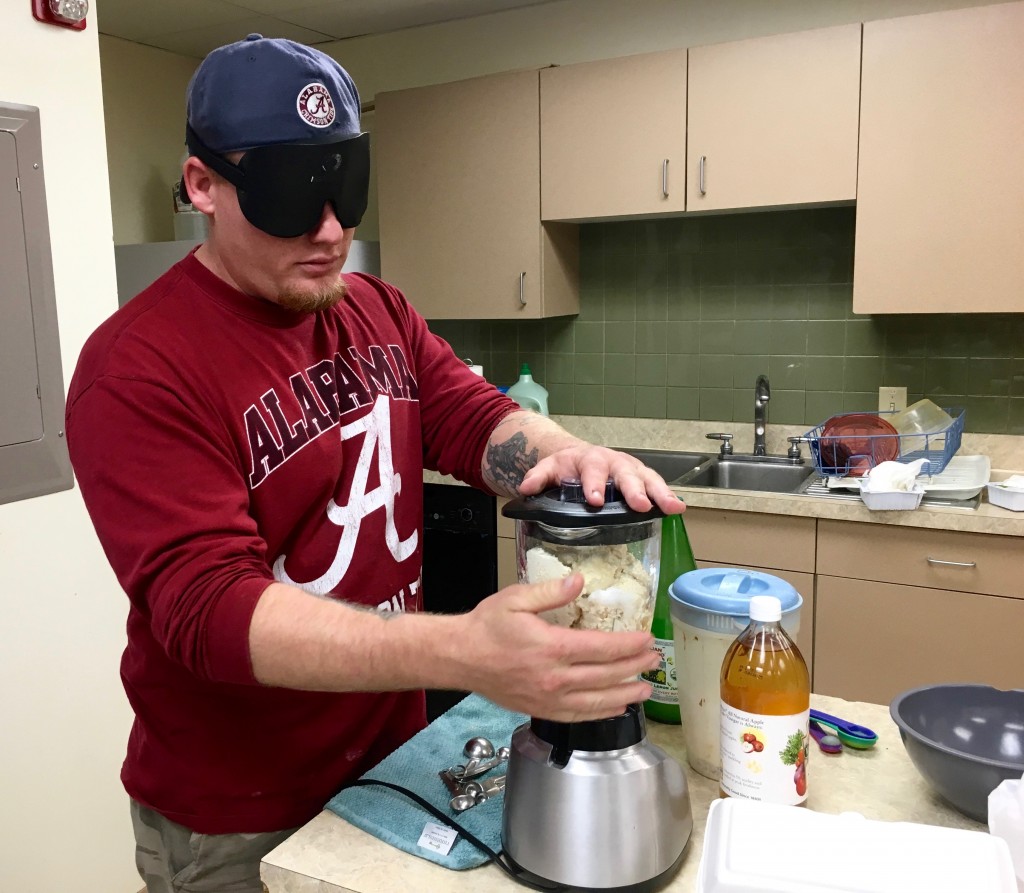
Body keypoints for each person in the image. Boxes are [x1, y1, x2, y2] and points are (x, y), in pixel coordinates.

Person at [65, 34, 685, 893]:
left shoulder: (375, 309)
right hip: (242, 811)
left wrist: (573, 456)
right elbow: (209, 609)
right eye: (289, 198)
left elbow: (471, 420)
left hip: (394, 764)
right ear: (202, 186)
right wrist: (465, 650)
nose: (330, 232)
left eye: (344, 189)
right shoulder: (136, 370)